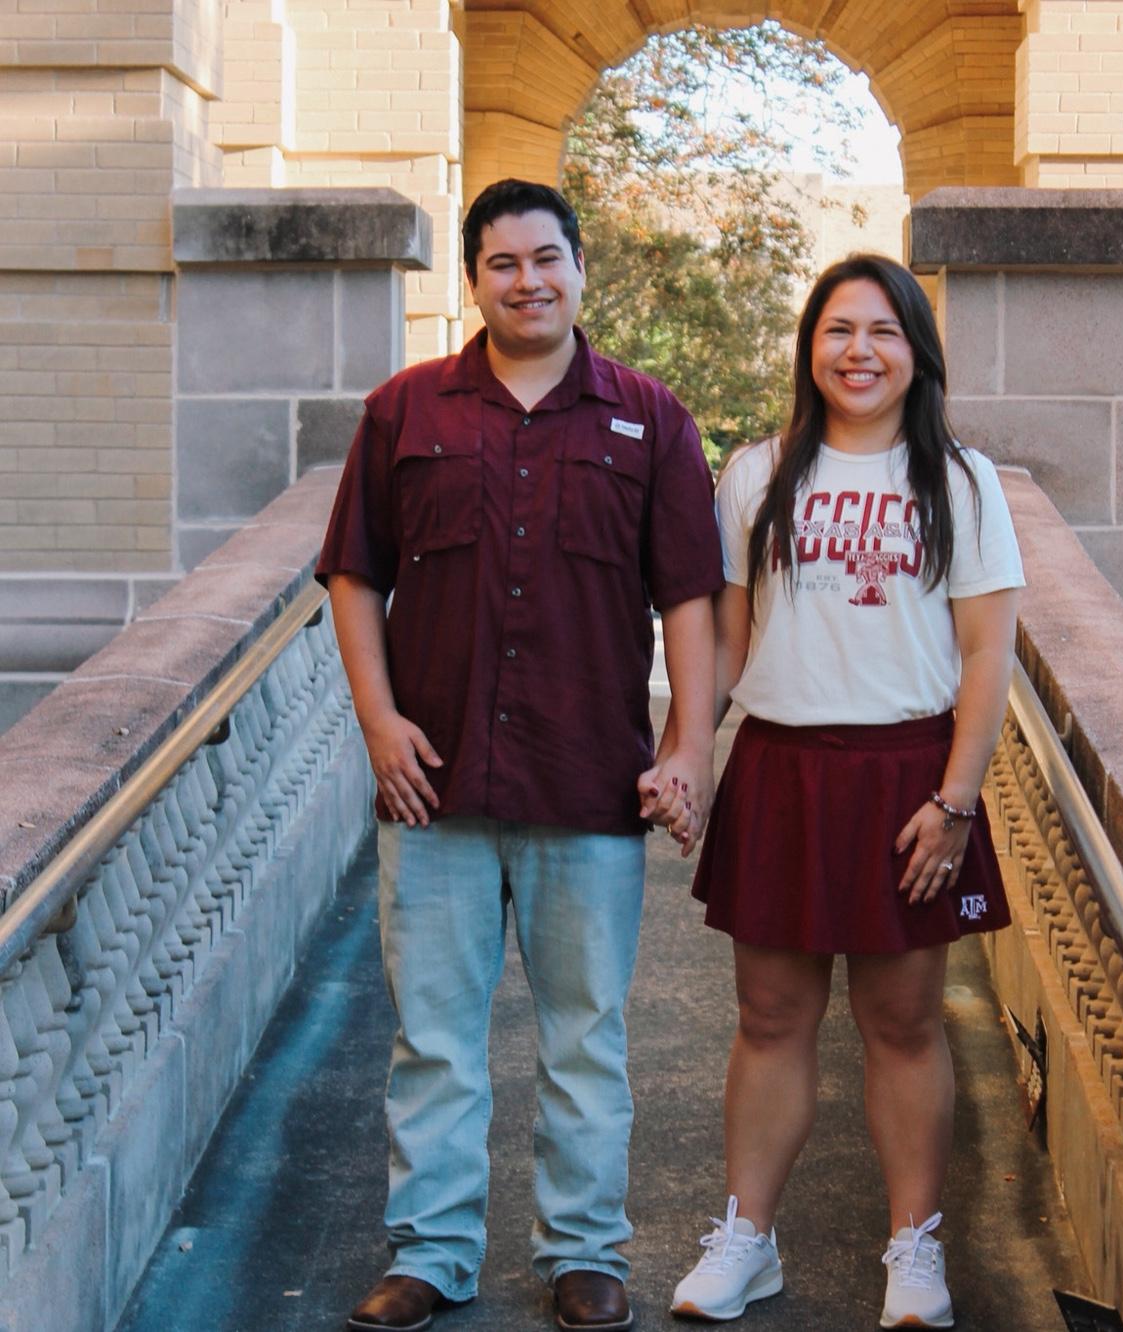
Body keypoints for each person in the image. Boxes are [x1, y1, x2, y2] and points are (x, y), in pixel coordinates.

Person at [317, 178, 722, 1332]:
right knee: (433, 1040)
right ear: (473, 279)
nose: (527, 281)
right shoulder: (405, 412)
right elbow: (355, 574)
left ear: (580, 268)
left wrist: (688, 745)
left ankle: (584, 1252)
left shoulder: (651, 419)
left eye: (547, 258)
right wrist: (378, 720)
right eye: (502, 263)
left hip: (589, 780)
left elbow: (690, 598)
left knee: (584, 1036)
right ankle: (433, 1254)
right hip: (431, 782)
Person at [665, 254, 1024, 1329]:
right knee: (769, 1015)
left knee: (904, 1021)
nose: (857, 351)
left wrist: (956, 798)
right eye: (836, 330)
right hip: (782, 767)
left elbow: (986, 657)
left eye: (882, 331)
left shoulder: (961, 482)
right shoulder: (756, 473)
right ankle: (747, 1237)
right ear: (808, 349)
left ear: (917, 354)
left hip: (909, 780)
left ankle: (914, 1252)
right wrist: (688, 751)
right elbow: (726, 645)